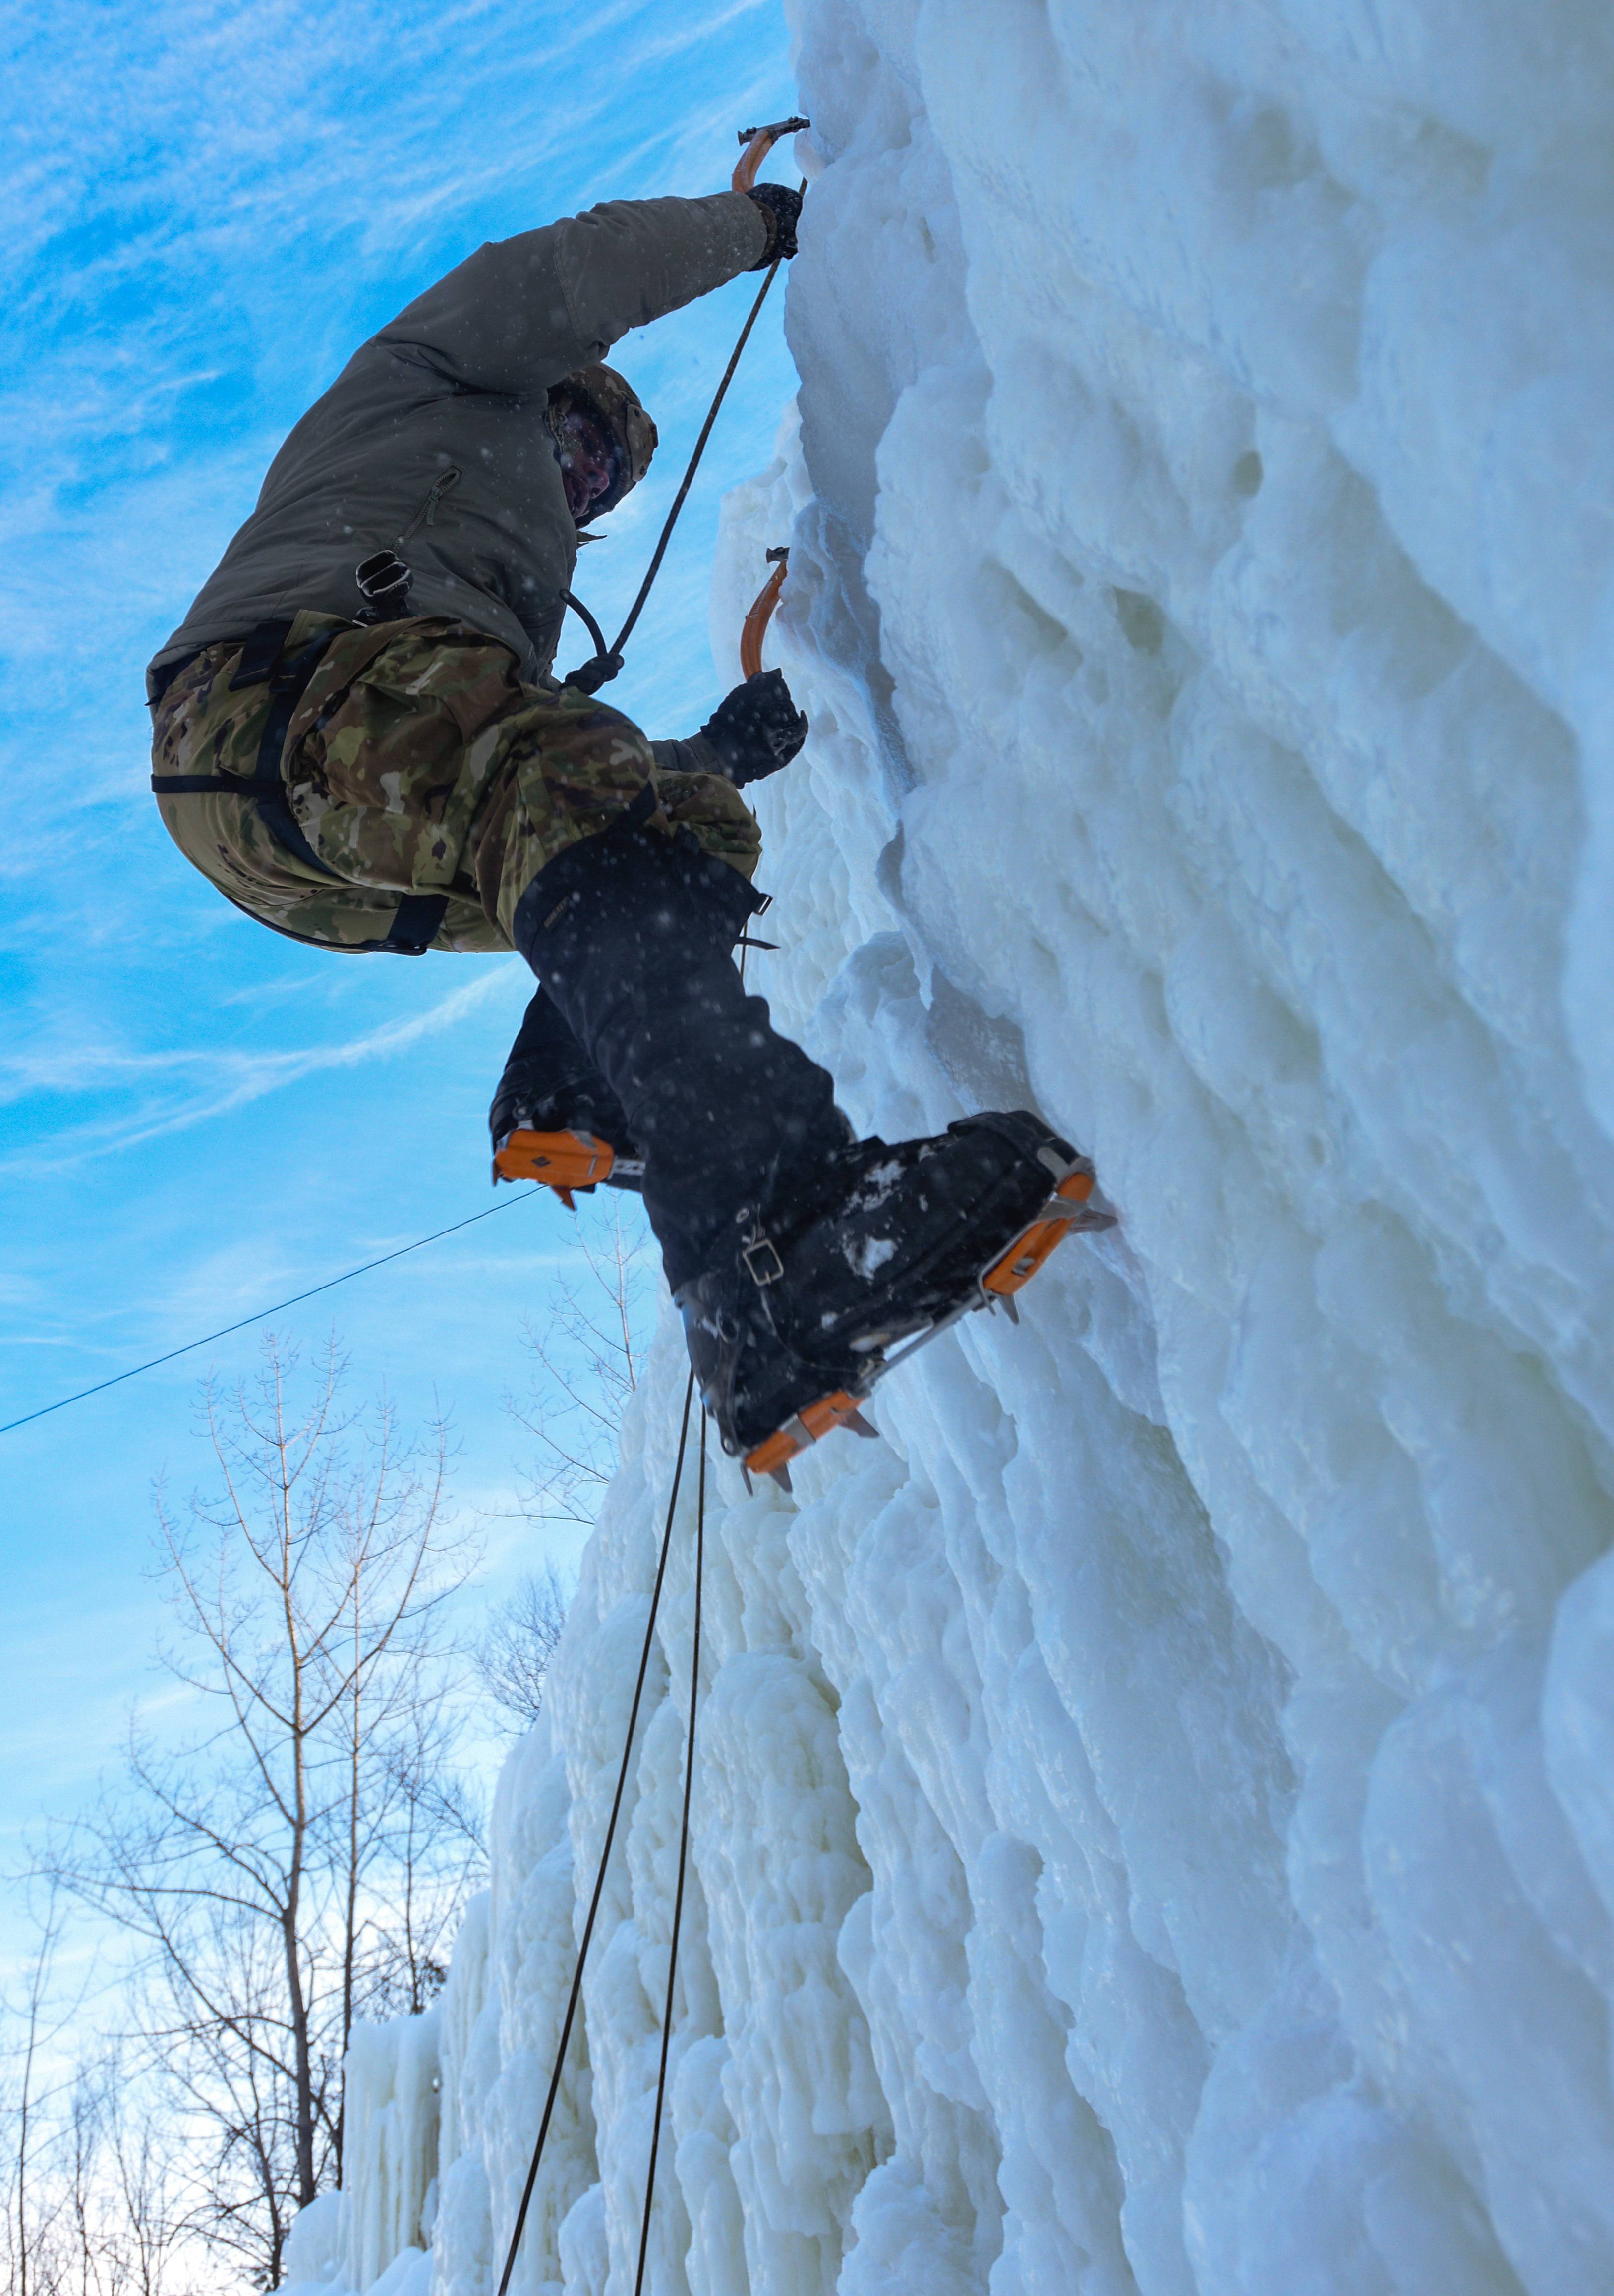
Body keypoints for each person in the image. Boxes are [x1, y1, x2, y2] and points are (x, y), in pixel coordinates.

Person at [148, 182, 1105, 1481]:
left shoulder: (495, 592)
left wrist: (719, 752)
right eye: (585, 438)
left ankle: (584, 1095)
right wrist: (764, 222)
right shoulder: (430, 379)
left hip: (305, 852)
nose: (582, 479)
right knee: (578, 781)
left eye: (601, 478)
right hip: (264, 700)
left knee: (676, 820)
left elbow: (548, 796)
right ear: (552, 394)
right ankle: (793, 1236)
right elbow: (567, 272)